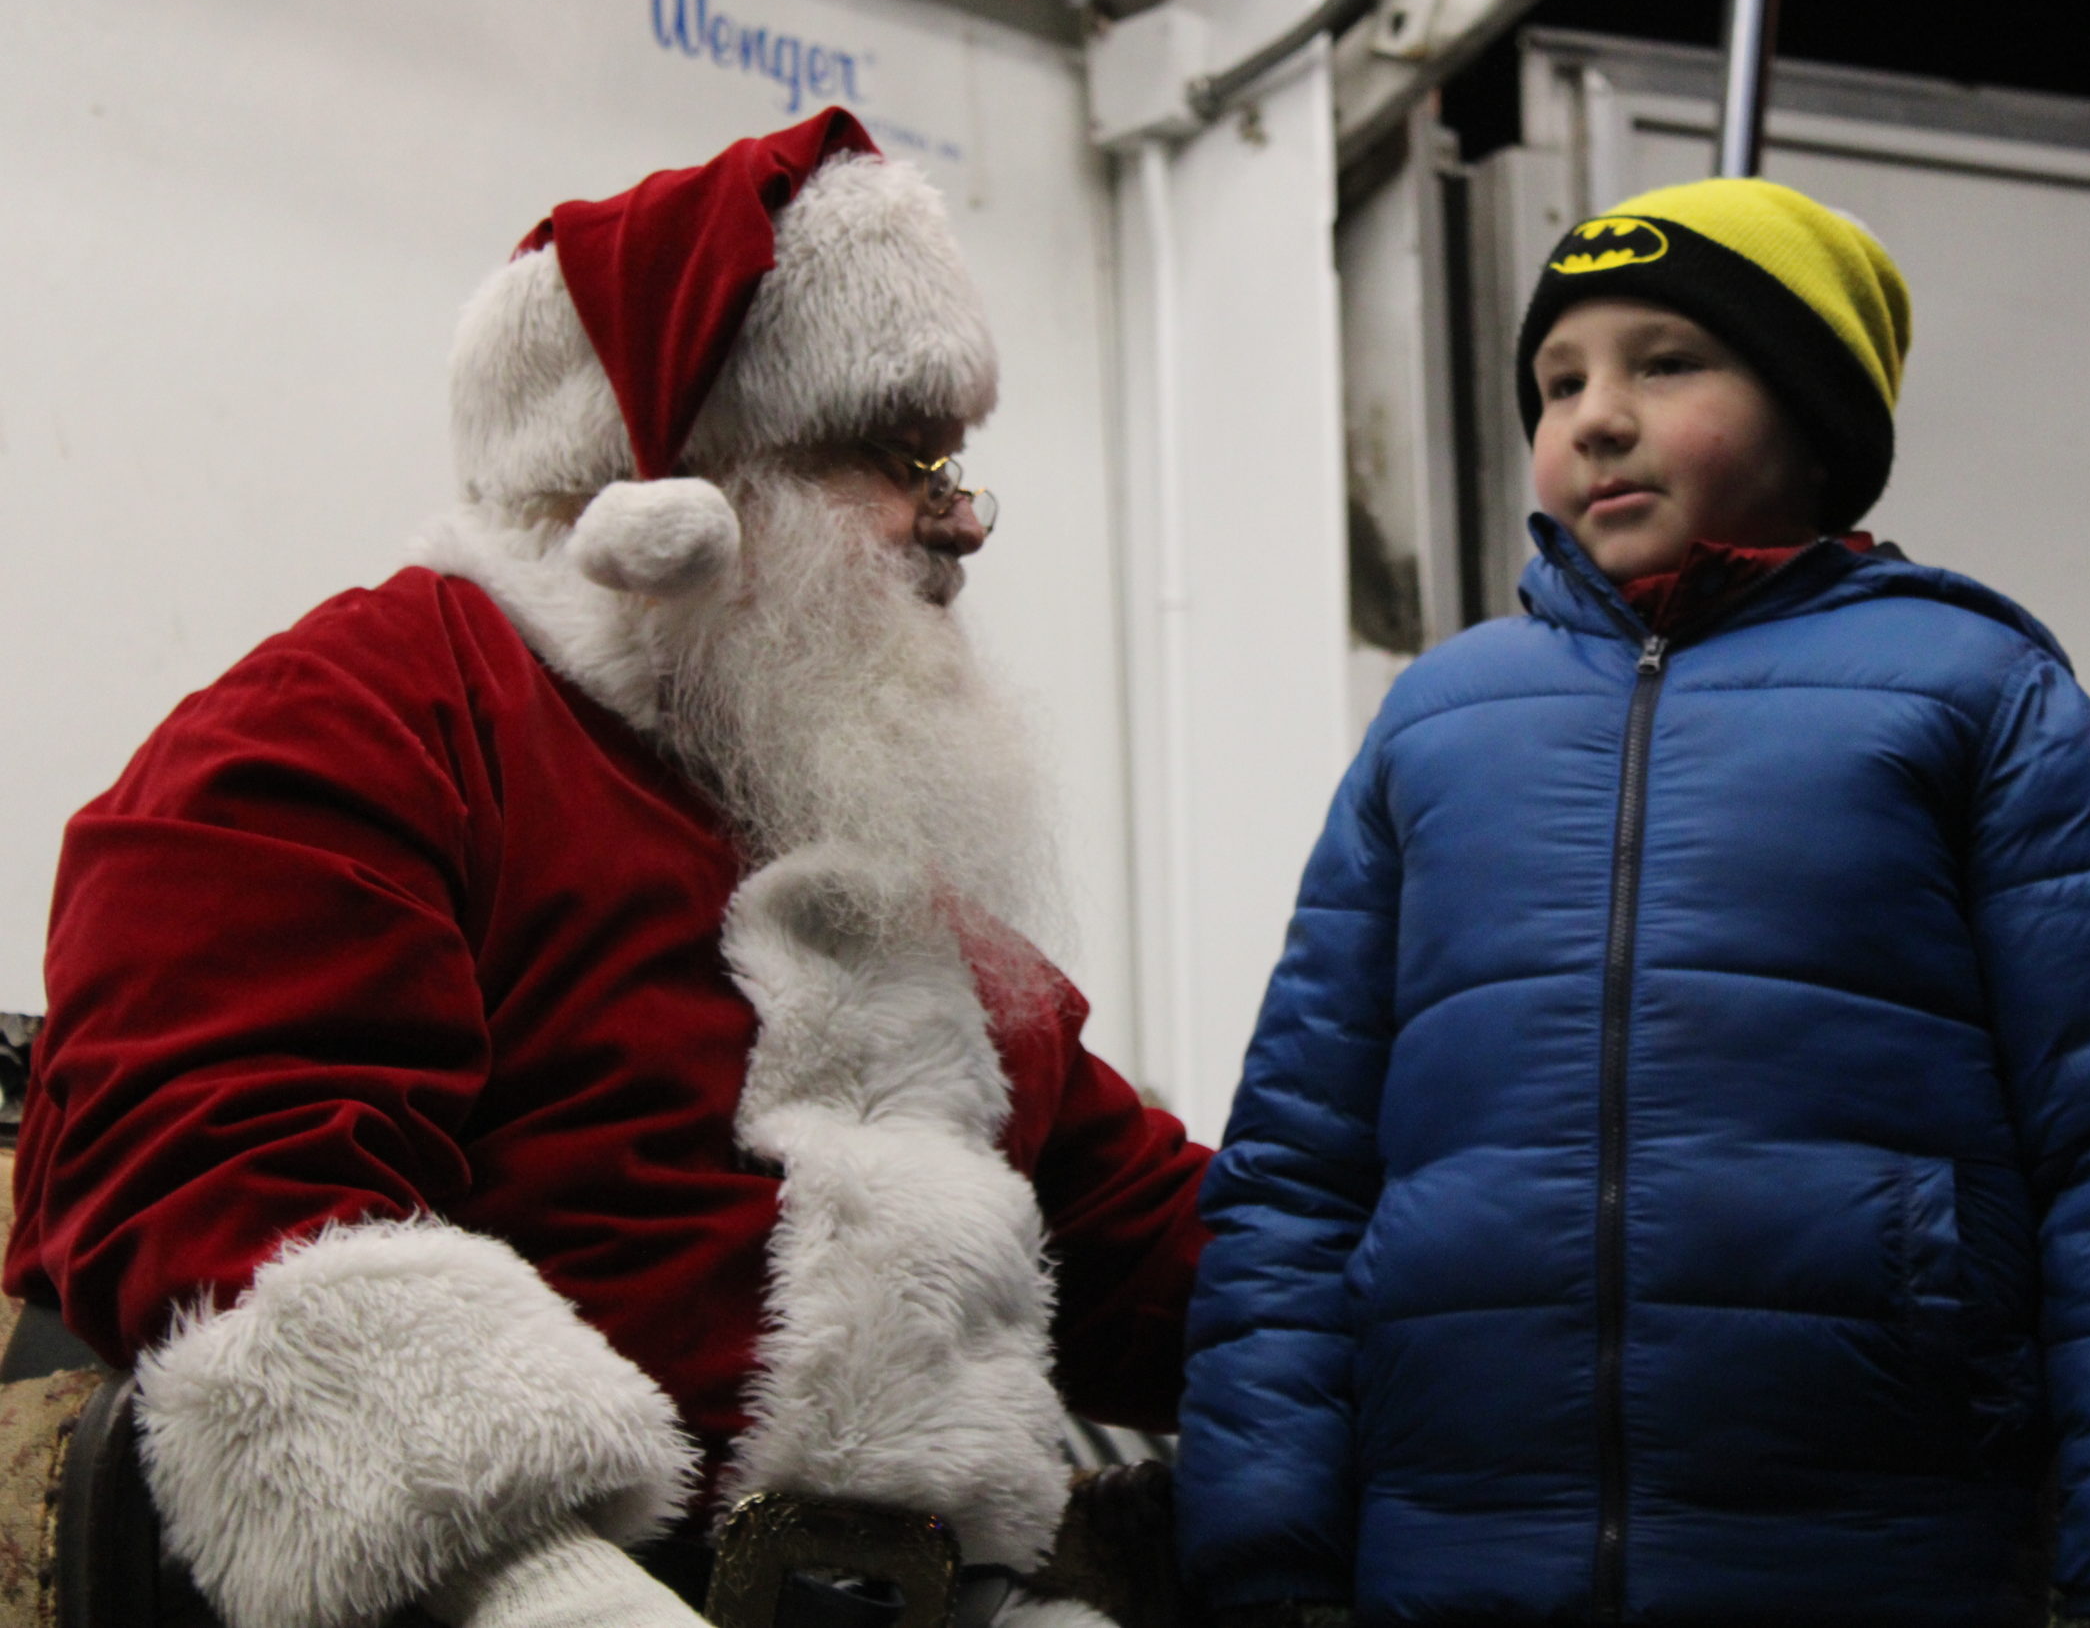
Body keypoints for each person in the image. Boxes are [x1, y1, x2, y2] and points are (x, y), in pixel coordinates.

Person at [6, 110, 1206, 1628]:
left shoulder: (843, 822)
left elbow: (1141, 1241)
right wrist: (546, 1591)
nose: (959, 519)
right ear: (669, 504)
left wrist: (1505, 1297)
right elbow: (227, 1199)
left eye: (952, 463)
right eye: (891, 459)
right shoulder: (361, 723)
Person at [1176, 179, 2090, 1627]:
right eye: (1559, 381)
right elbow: (1297, 1175)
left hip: (1882, 1551)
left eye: (1667, 362)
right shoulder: (1436, 723)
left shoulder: (1981, 699)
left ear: (1816, 414)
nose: (1597, 416)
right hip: (1455, 1557)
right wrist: (1262, 1548)